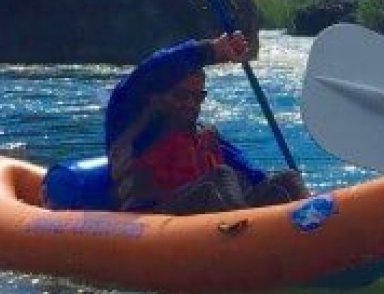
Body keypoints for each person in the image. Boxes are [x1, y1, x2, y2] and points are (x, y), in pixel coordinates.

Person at [104, 32, 306, 214]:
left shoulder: (204, 137)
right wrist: (211, 50)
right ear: (155, 97)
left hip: (208, 224)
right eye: (181, 95)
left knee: (286, 180)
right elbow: (151, 69)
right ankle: (244, 242)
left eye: (197, 97)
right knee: (220, 179)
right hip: (153, 219)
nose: (191, 104)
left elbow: (252, 174)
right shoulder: (128, 120)